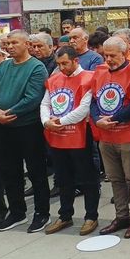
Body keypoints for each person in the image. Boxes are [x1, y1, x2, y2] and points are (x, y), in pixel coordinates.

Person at [0, 30, 50, 233]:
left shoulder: (36, 67)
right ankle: (17, 212)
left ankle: (42, 213)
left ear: (27, 44)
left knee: (36, 172)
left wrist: (9, 112)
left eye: (14, 42)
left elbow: (32, 98)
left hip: (28, 128)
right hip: (4, 128)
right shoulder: (3, 66)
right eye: (8, 43)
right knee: (10, 172)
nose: (9, 46)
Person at [40, 46, 101, 236]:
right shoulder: (54, 79)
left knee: (87, 177)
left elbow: (84, 108)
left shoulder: (89, 78)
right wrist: (46, 121)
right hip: (57, 136)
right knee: (63, 178)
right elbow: (45, 103)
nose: (62, 67)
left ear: (76, 60)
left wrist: (59, 122)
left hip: (79, 135)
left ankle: (91, 215)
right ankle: (65, 214)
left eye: (65, 63)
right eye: (59, 64)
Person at [90, 37, 130, 239]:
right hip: (105, 134)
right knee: (115, 178)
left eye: (113, 55)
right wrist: (97, 120)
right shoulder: (100, 71)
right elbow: (94, 100)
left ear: (124, 53)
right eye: (106, 55)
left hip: (127, 134)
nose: (108, 59)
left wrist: (112, 118)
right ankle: (121, 216)